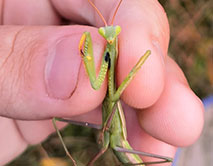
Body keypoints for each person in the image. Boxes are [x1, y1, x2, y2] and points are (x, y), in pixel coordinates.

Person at [0, 0, 204, 165]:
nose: (109, 38)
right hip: (110, 137)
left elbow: (112, 93)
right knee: (56, 119)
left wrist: (134, 69)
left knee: (166, 158)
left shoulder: (114, 60)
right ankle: (71, 158)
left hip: (122, 145)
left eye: (112, 36)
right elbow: (103, 88)